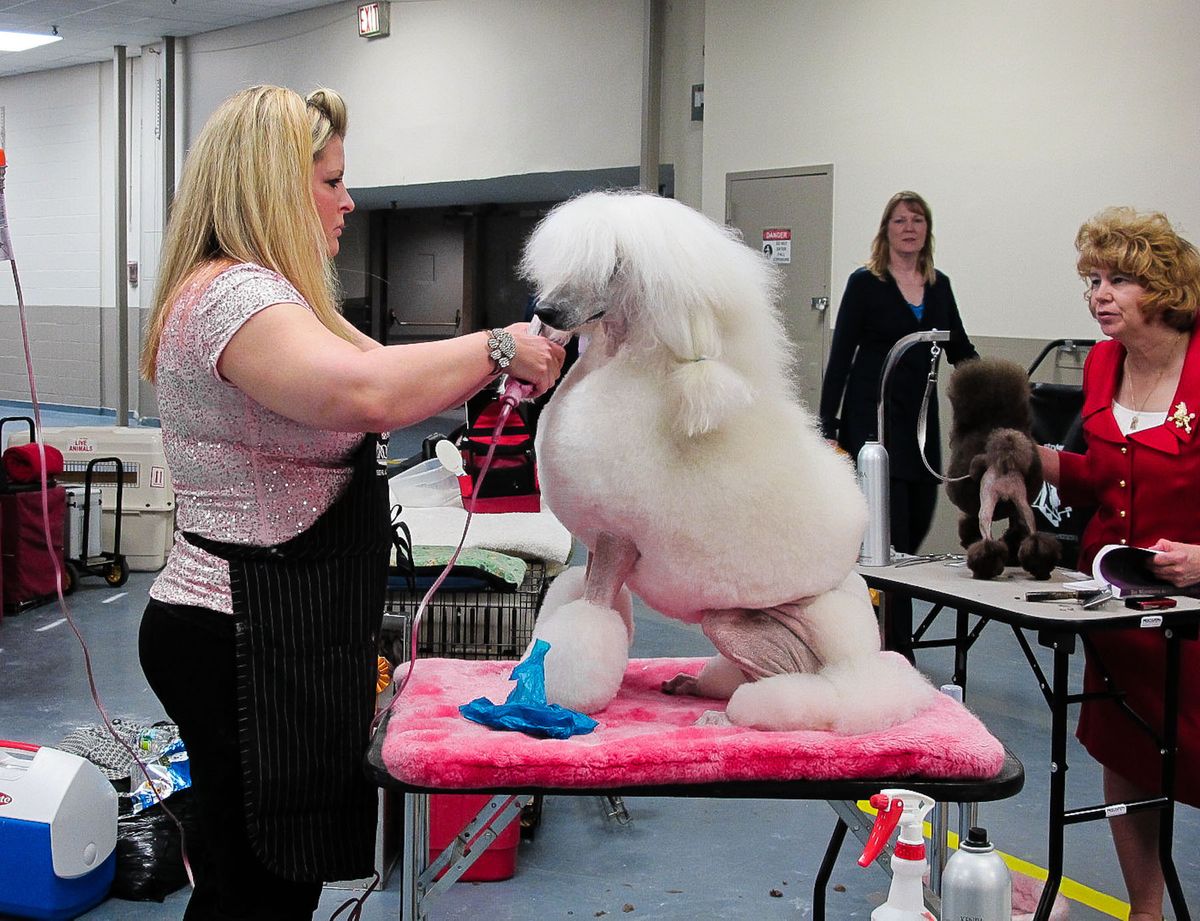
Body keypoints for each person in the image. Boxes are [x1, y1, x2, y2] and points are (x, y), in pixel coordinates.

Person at [136, 85, 564, 919]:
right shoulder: (236, 298)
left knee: (268, 879)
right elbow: (367, 393)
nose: (348, 199)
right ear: (273, 186)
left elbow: (395, 376)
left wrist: (495, 354)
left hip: (268, 625)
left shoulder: (285, 297)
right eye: (331, 181)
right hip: (237, 630)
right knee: (256, 888)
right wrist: (501, 344)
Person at [1037, 206, 1200, 921]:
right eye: (1094, 280)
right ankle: (1146, 909)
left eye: (1121, 279)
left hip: (1193, 618)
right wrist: (1031, 459)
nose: (1100, 294)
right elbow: (1095, 478)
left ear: (1163, 288)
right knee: (1124, 751)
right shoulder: (1102, 361)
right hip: (1116, 612)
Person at [818, 191, 977, 653]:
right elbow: (842, 355)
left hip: (920, 425)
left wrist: (1001, 393)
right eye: (900, 220)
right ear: (885, 229)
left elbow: (962, 351)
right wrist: (827, 425)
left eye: (918, 220)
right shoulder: (866, 284)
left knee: (914, 528)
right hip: (872, 425)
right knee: (879, 538)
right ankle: (875, 640)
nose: (909, 227)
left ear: (927, 230)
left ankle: (892, 633)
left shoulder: (939, 285)